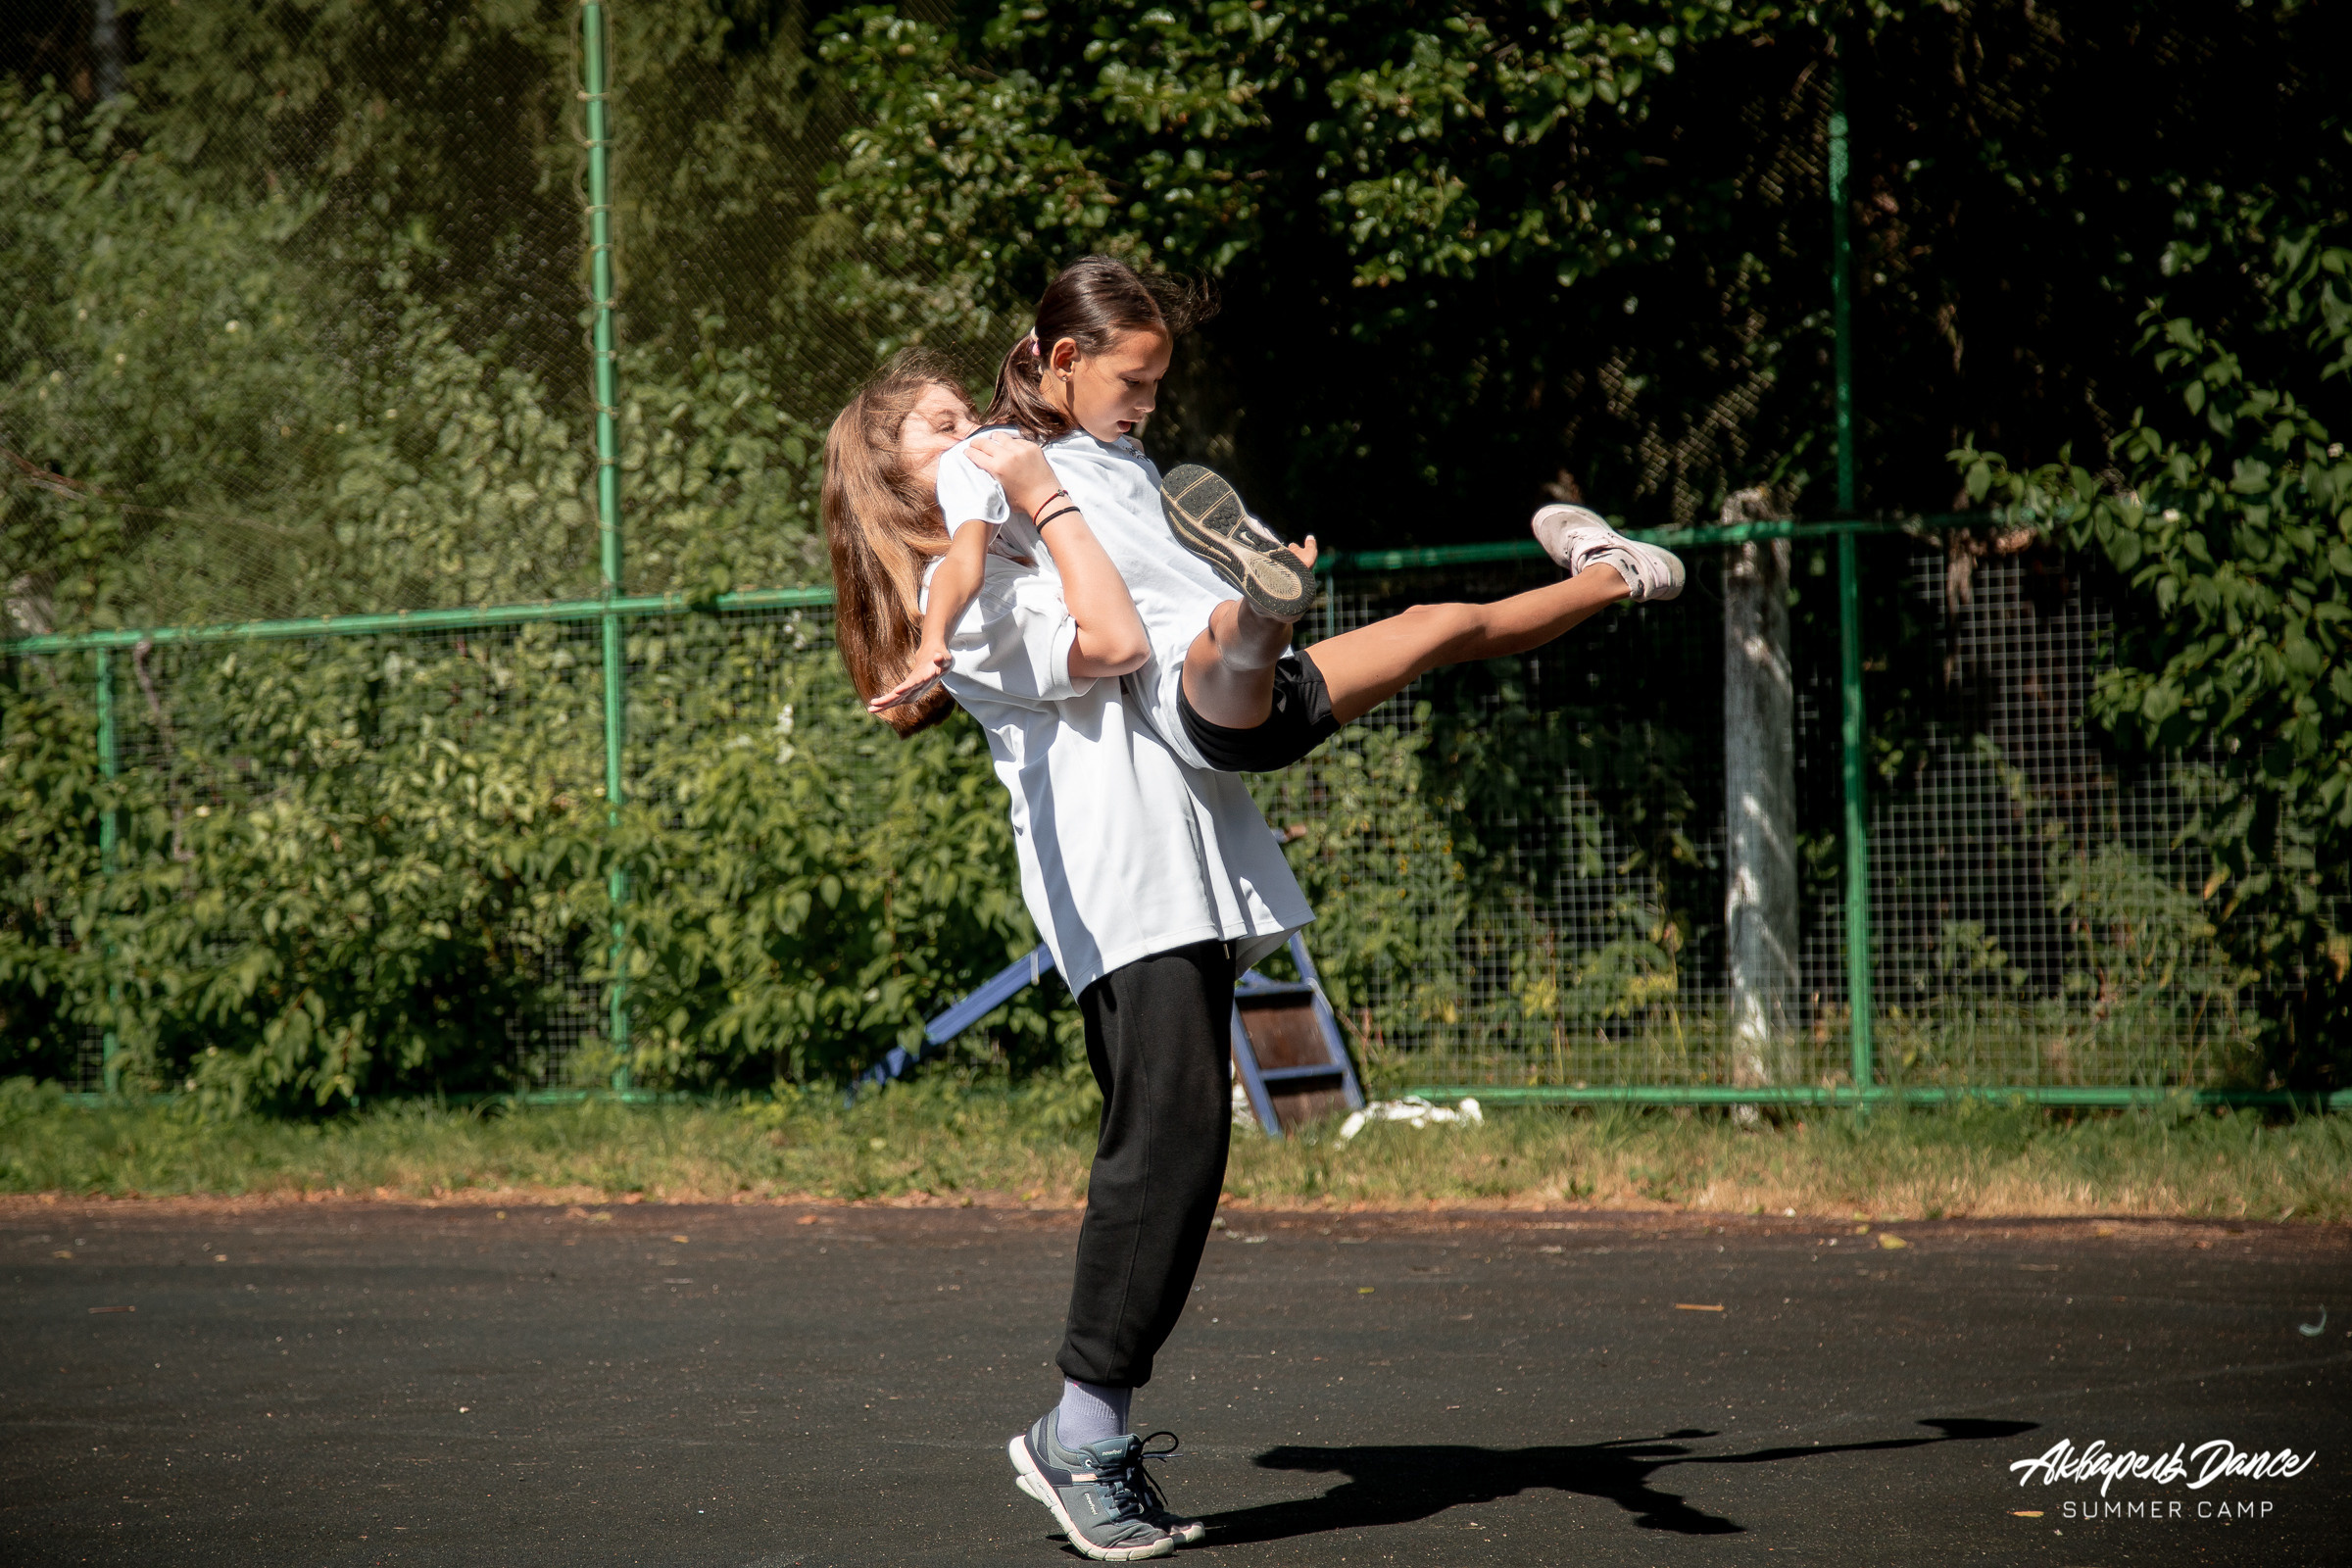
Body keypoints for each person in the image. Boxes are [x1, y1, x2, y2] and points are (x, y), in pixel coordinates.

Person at [827, 352, 1306, 1561]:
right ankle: (1079, 1436)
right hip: (1119, 889)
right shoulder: (972, 584)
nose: (975, 428)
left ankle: (1086, 1428)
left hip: (1178, 871)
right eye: (944, 426)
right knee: (1165, 1150)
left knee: (1182, 1154)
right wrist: (1041, 493)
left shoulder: (1022, 537)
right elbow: (1112, 639)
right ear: (899, 475)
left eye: (970, 409)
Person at [863, 255, 1686, 781]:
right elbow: (962, 563)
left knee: (1444, 625)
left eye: (1157, 385)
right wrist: (933, 638)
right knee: (1223, 625)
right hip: (1197, 697)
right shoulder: (998, 456)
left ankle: (1616, 572)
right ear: (1068, 362)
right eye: (1134, 385)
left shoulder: (1126, 459)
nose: (1149, 406)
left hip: (1266, 700)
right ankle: (1263, 607)